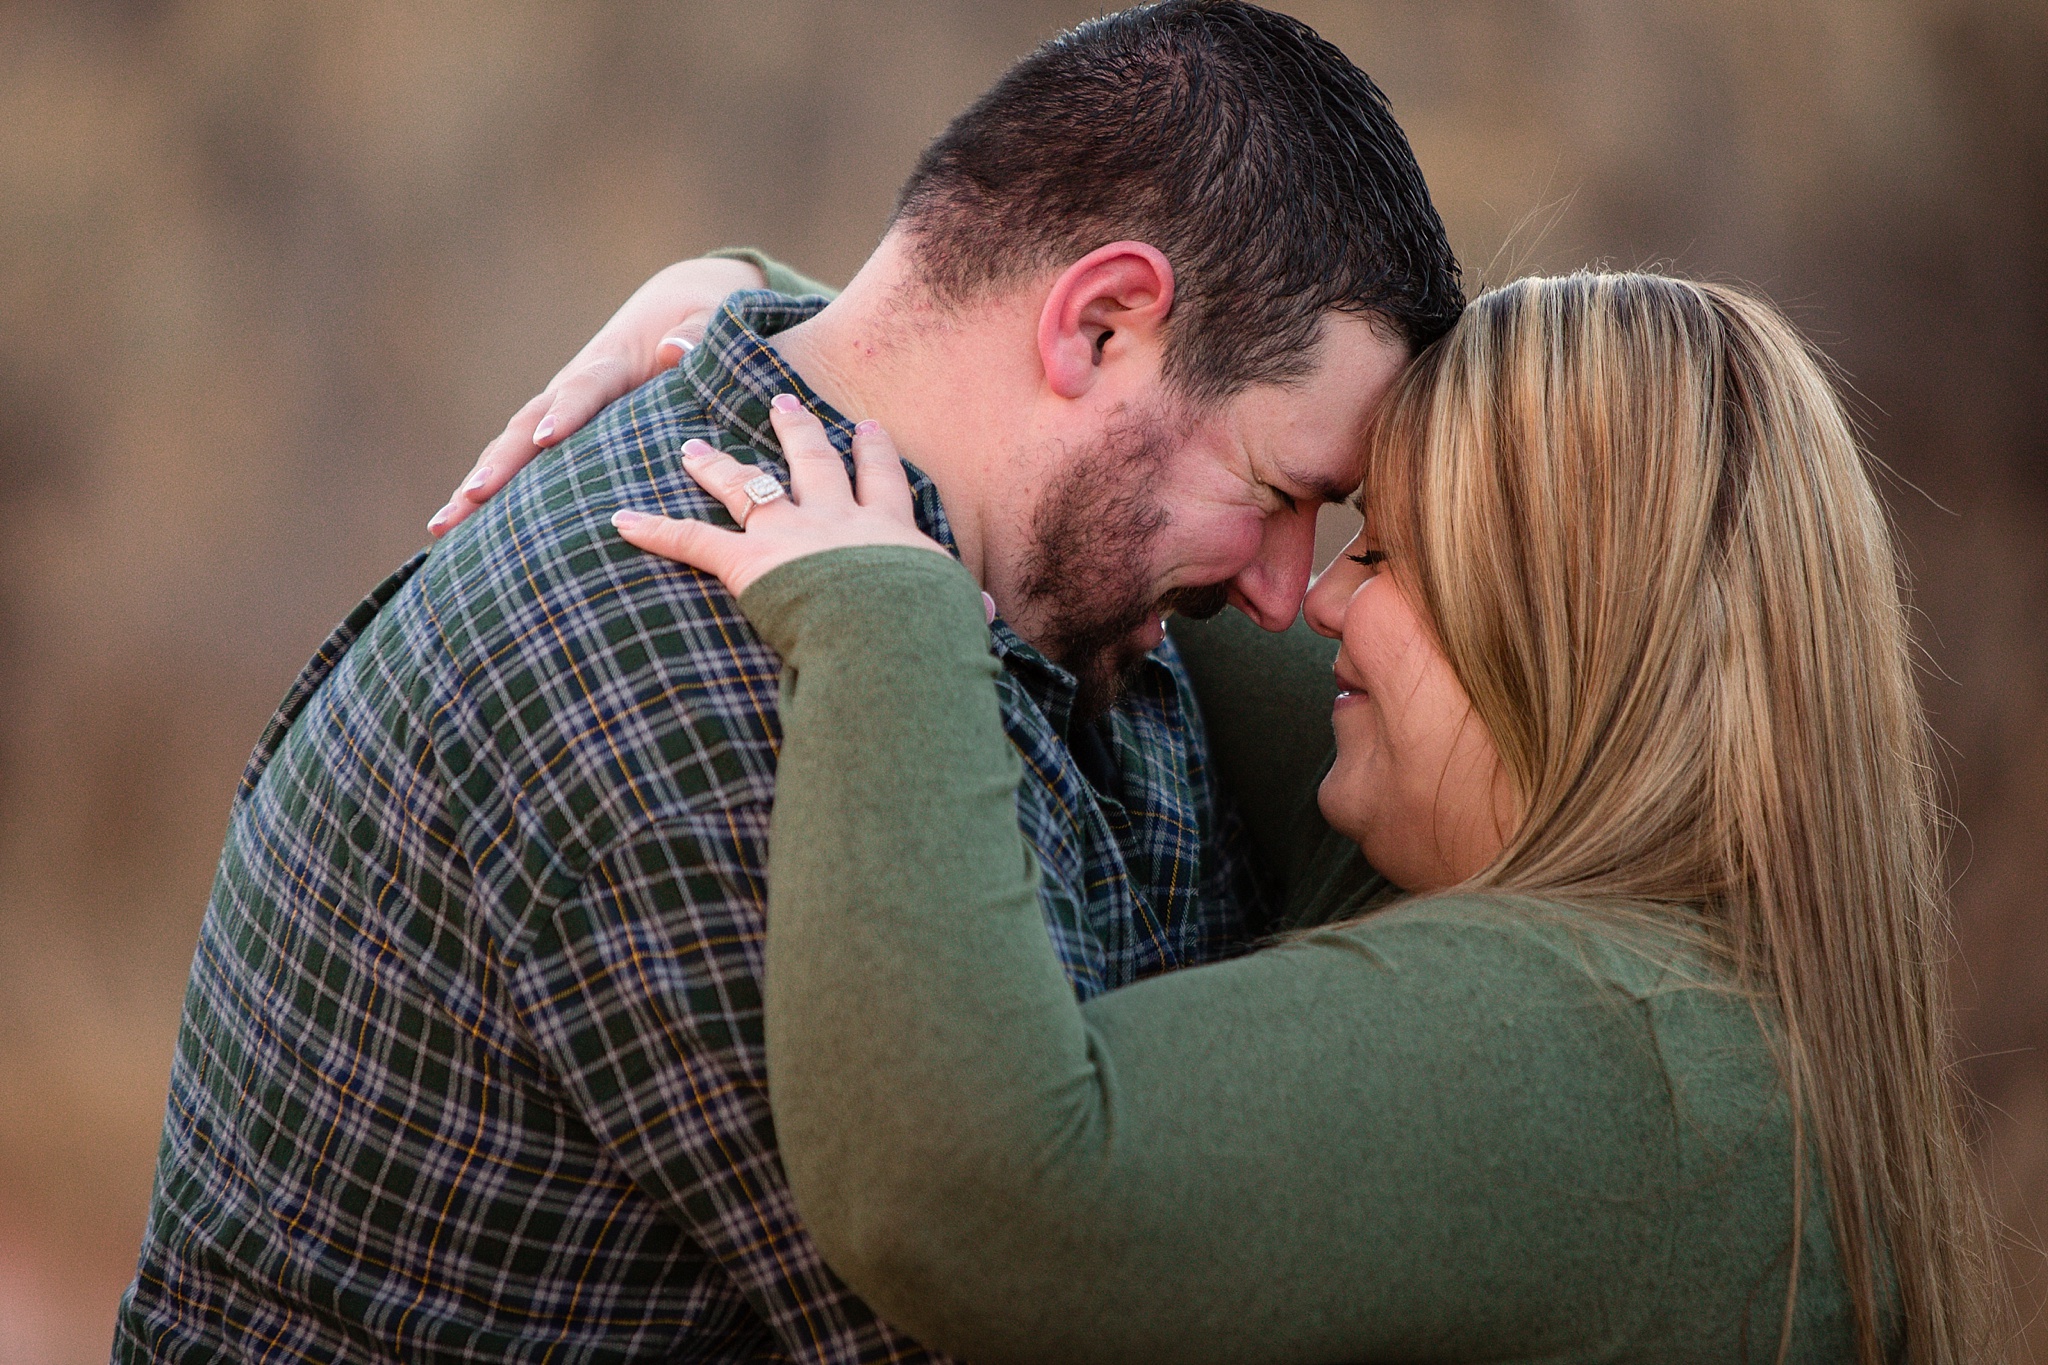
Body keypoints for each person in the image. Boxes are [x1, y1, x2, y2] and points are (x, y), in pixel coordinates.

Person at [114, 4, 1463, 1361]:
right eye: (1280, 493)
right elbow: (1035, 1316)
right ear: (1101, 324)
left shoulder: (1044, 579)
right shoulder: (709, 701)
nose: (1286, 596)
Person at [607, 273, 2012, 1362]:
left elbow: (969, 1190)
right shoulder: (1686, 984)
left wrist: (878, 624)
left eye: (1389, 552)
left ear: (1567, 645)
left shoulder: (1600, 1048)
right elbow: (1144, 539)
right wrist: (826, 338)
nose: (1318, 595)